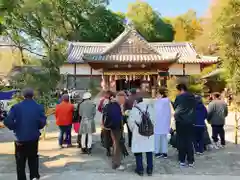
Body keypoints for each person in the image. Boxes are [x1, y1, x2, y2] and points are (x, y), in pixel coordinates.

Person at [4, 88, 47, 180]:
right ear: (33, 95)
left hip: (20, 139)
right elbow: (43, 122)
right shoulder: (39, 107)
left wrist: (15, 127)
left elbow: (7, 121)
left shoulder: (16, 107)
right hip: (33, 138)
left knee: (20, 162)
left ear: (23, 96)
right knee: (33, 159)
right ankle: (34, 177)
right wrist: (36, 127)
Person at [128, 96, 154, 176]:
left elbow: (131, 123)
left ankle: (140, 169)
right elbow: (154, 120)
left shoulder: (134, 109)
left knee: (138, 151)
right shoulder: (149, 108)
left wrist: (134, 130)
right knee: (149, 151)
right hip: (148, 133)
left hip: (138, 133)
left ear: (136, 101)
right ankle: (150, 169)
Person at [173, 84, 196, 167]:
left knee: (181, 141)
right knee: (189, 141)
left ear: (181, 89)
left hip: (180, 121)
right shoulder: (192, 97)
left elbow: (176, 108)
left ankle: (182, 159)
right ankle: (190, 160)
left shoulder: (179, 97)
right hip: (190, 121)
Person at [103, 92, 125, 170]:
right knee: (117, 145)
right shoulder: (116, 106)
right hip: (117, 128)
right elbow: (119, 118)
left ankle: (115, 161)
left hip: (111, 127)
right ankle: (116, 163)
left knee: (115, 144)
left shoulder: (109, 105)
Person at [154, 88, 171, 158]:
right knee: (164, 138)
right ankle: (164, 152)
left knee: (157, 138)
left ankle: (157, 152)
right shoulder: (167, 102)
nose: (157, 95)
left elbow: (155, 112)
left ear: (161, 94)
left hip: (158, 122)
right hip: (165, 123)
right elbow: (169, 113)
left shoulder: (158, 102)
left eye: (158, 94)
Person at [99, 91, 113, 156]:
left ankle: (108, 150)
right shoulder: (114, 102)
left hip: (105, 122)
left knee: (106, 135)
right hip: (112, 123)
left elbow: (99, 108)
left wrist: (102, 111)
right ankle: (112, 148)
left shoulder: (102, 101)